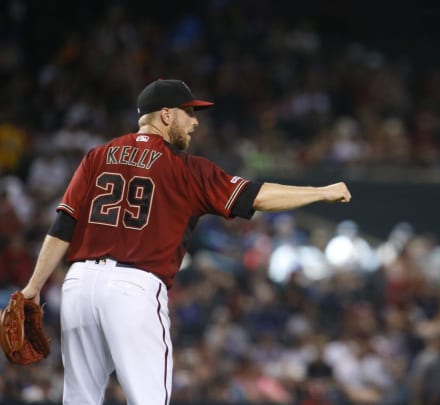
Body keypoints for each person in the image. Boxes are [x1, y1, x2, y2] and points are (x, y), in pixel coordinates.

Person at [19, 78, 351, 405]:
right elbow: (255, 196)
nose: (194, 122)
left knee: (79, 399)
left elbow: (64, 225)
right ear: (166, 115)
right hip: (133, 287)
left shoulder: (97, 156)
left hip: (78, 285)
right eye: (188, 112)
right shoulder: (185, 168)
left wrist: (32, 288)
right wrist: (321, 192)